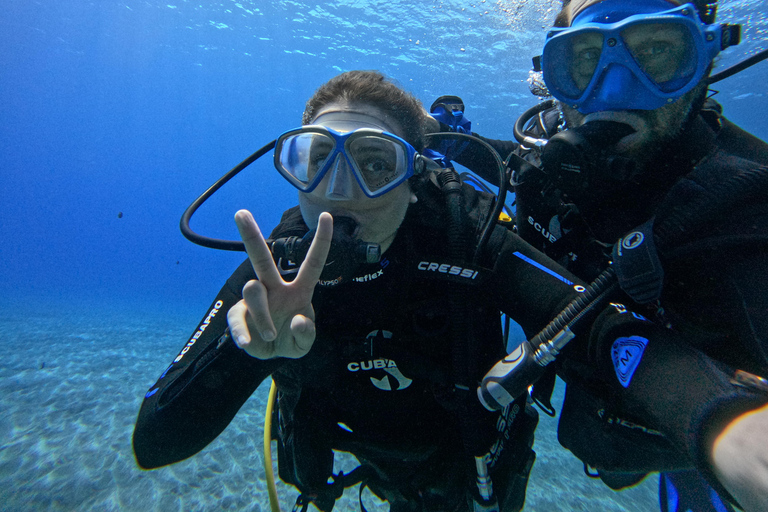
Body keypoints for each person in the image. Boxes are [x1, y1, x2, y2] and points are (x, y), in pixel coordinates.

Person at [132, 70, 699, 512]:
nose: (339, 191)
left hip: (463, 468)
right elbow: (154, 442)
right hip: (353, 462)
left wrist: (718, 417)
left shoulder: (467, 241)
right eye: (320, 159)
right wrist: (245, 354)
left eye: (376, 163)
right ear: (296, 167)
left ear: (413, 182)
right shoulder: (275, 270)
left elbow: (602, 327)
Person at [434, 0, 768, 510]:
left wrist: (730, 429)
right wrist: (423, 130)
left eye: (656, 49)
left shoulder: (746, 202)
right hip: (599, 421)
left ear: (705, 55)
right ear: (550, 77)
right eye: (585, 60)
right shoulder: (543, 168)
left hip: (682, 435)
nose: (615, 91)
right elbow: (501, 156)